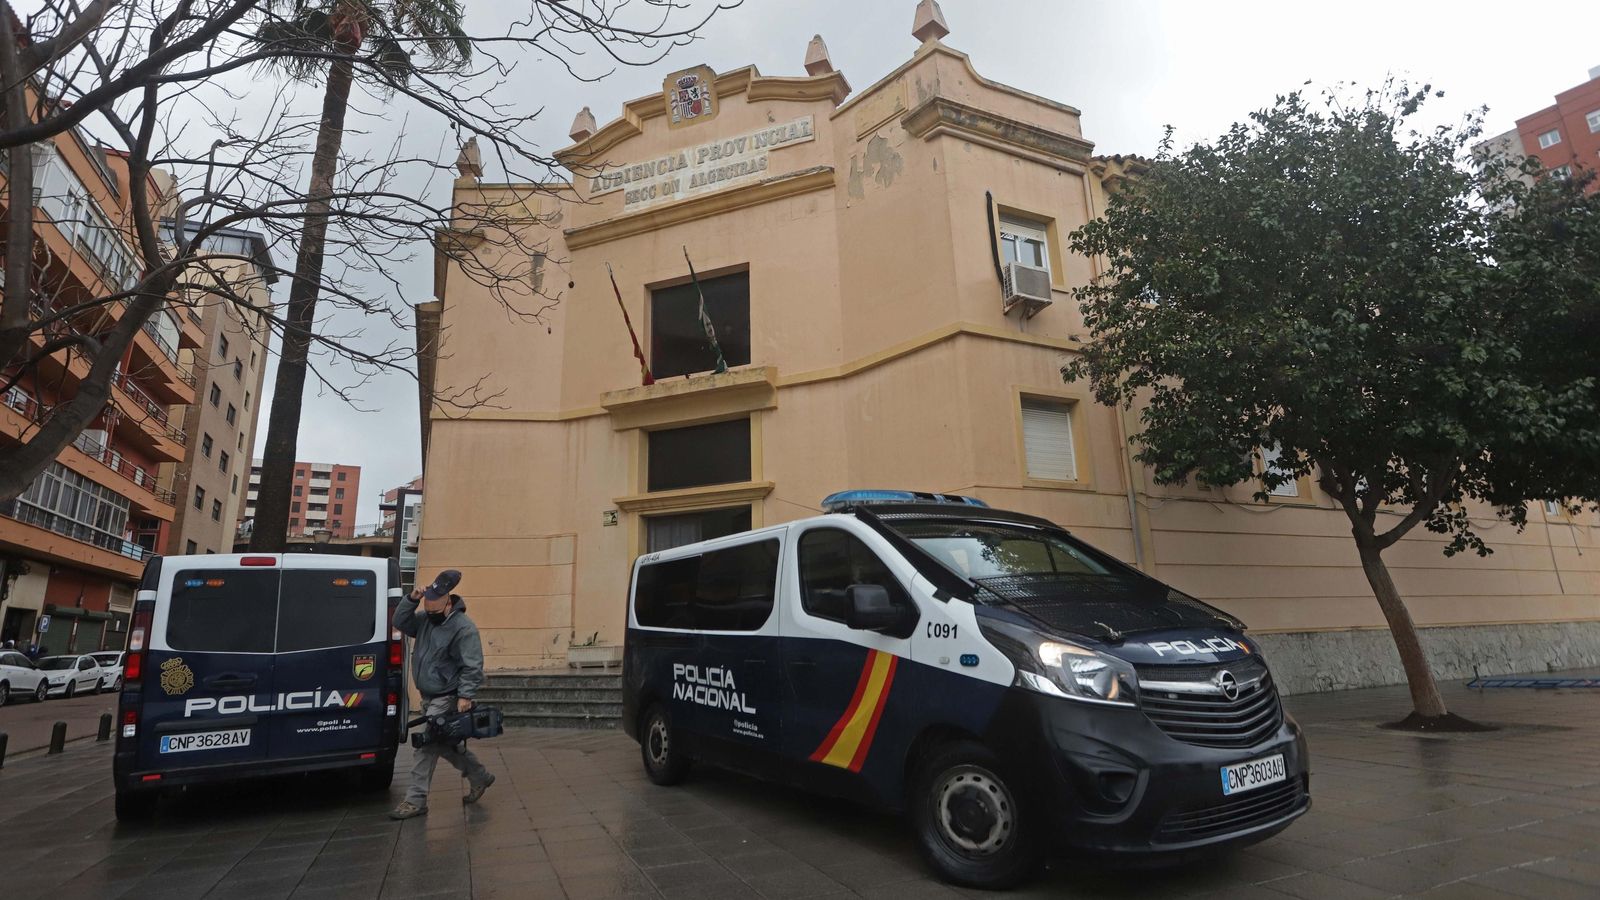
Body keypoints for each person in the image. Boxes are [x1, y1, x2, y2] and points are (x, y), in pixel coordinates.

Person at [389, 569, 494, 819]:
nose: (431, 616)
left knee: (425, 745)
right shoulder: (426, 619)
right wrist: (411, 600)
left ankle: (415, 800)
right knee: (445, 745)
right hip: (429, 695)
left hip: (447, 696)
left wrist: (465, 696)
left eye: (435, 612)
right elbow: (400, 622)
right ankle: (480, 776)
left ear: (448, 603)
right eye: (428, 611)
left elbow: (472, 665)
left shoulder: (463, 628)